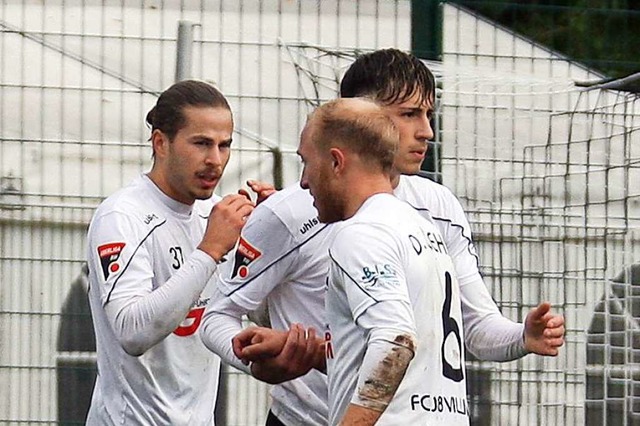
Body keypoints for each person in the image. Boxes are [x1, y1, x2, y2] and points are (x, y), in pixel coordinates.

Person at [200, 49, 565, 426]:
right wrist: (261, 360)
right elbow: (218, 315)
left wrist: (521, 336)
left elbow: (438, 331)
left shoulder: (430, 208)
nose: (426, 131)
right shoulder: (289, 212)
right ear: (361, 117)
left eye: (428, 114)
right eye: (409, 114)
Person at [85, 80, 256, 425]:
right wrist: (209, 252)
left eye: (225, 146)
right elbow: (132, 332)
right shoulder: (123, 216)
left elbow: (236, 319)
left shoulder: (216, 217)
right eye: (201, 144)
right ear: (161, 143)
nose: (215, 160)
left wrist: (271, 240)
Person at [300, 97, 469, 425]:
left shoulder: (363, 233)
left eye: (306, 162)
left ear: (336, 162)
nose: (305, 180)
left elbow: (395, 340)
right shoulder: (423, 229)